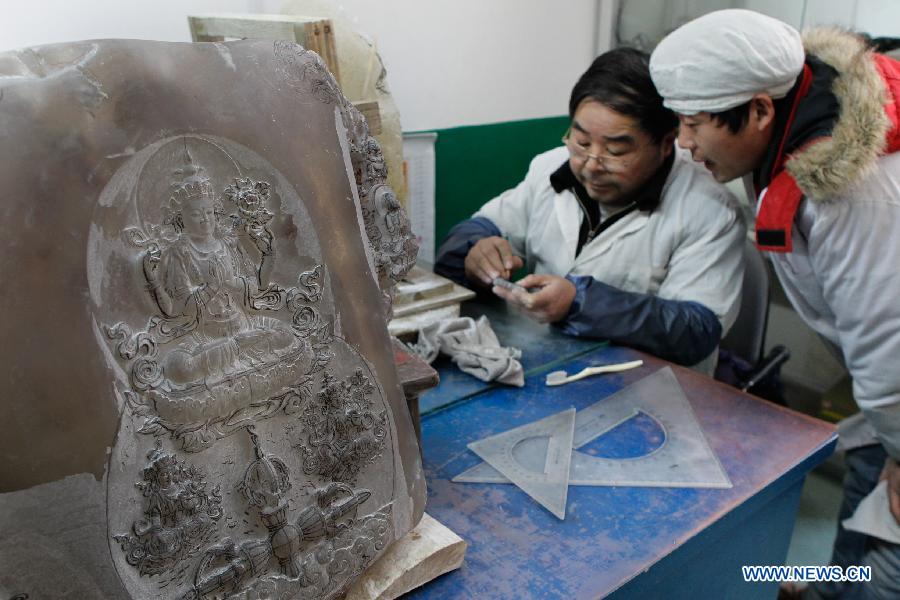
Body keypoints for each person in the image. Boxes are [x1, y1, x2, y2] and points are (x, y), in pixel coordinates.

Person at [649, 9, 900, 598]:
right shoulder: (799, 124)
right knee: (864, 495)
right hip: (884, 395)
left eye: (695, 125)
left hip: (895, 385)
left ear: (760, 109)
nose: (684, 145)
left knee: (890, 556)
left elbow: (890, 344)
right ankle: (824, 586)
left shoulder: (852, 195)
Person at [434, 47, 745, 372]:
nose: (592, 165)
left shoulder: (709, 209)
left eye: (615, 150)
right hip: (547, 367)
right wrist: (475, 253)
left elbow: (694, 330)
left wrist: (579, 303)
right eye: (582, 142)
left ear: (667, 143)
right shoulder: (551, 168)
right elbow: (480, 228)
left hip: (650, 390)